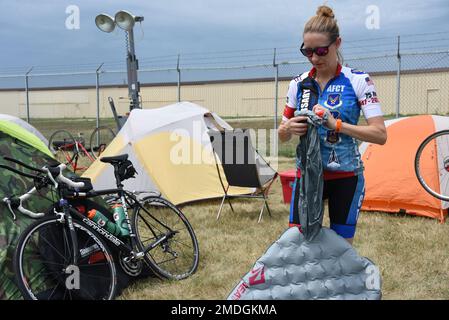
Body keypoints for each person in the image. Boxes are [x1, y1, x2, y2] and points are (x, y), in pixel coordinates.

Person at [278, 5, 387, 245]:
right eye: (307, 52)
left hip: (345, 176)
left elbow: (380, 135)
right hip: (307, 176)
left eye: (321, 51)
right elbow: (282, 134)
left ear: (337, 44)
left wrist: (336, 124)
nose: (314, 58)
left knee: (340, 249)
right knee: (300, 245)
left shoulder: (358, 80)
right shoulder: (299, 84)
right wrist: (288, 129)